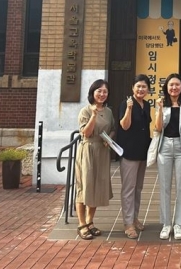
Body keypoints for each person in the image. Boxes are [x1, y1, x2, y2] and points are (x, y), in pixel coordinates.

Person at [155, 73, 181, 240]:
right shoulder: (161, 104)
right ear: (166, 87)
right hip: (164, 146)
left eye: (177, 85)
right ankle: (166, 224)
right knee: (164, 186)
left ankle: (178, 224)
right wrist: (159, 109)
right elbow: (158, 128)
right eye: (171, 85)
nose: (174, 88)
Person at [75, 79, 116, 240]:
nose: (102, 94)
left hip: (102, 151)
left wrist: (109, 139)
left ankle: (90, 221)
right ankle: (81, 224)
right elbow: (86, 133)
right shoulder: (85, 111)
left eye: (105, 91)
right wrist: (93, 116)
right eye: (99, 91)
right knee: (84, 186)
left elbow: (113, 129)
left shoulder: (109, 112)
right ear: (93, 92)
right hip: (88, 150)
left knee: (97, 186)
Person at [117, 74, 152, 239]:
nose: (141, 89)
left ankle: (135, 217)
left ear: (148, 89)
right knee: (128, 188)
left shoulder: (147, 105)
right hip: (129, 152)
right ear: (133, 88)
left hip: (142, 152)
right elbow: (124, 126)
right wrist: (129, 109)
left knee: (138, 188)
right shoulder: (126, 103)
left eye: (144, 87)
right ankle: (128, 223)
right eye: (138, 86)